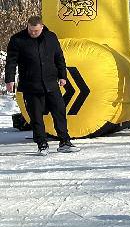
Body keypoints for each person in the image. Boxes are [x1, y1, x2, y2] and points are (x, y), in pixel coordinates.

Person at [5, 16, 77, 153]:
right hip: (31, 85)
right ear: (27, 26)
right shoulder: (17, 39)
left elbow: (59, 57)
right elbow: (11, 61)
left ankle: (65, 142)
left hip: (51, 83)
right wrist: (10, 79)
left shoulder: (51, 37)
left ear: (42, 27)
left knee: (59, 112)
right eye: (31, 30)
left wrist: (63, 76)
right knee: (36, 116)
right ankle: (42, 144)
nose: (33, 33)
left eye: (36, 31)